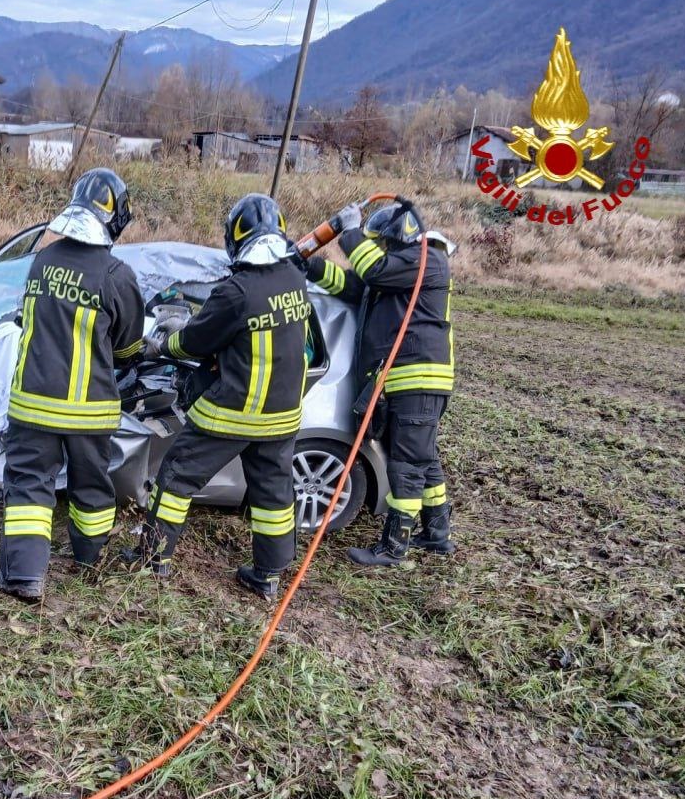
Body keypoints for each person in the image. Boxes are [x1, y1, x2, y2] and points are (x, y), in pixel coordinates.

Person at [135, 193, 310, 602]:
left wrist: (162, 347)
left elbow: (195, 341)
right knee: (273, 496)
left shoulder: (237, 291)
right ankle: (267, 576)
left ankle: (152, 559)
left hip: (234, 412)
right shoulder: (293, 280)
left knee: (176, 477)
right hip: (282, 415)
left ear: (236, 237)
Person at [0, 168, 146, 602]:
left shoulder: (42, 260)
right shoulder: (117, 274)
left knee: (28, 487)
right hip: (89, 412)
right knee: (91, 487)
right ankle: (88, 559)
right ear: (116, 217)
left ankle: (24, 576)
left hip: (32, 404)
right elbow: (128, 349)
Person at [303, 200, 455, 565]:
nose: (380, 249)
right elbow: (352, 285)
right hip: (405, 382)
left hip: (416, 380)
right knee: (422, 459)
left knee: (404, 465)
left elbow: (372, 269)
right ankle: (437, 534)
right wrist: (307, 264)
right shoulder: (396, 272)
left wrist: (351, 231)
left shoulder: (425, 260)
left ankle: (393, 548)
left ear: (397, 238)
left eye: (382, 243)